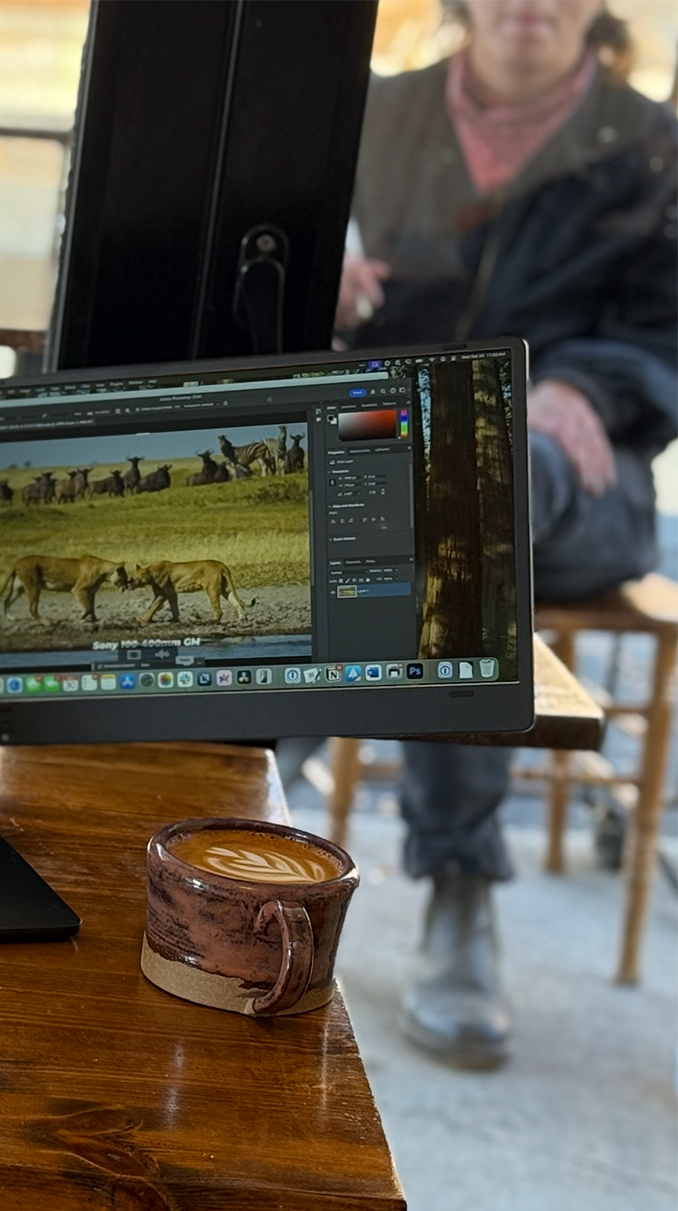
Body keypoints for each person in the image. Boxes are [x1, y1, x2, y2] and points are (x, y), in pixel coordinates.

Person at [339, 0, 678, 1067]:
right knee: (402, 490)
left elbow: (667, 333)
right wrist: (323, 288)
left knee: (479, 483)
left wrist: (586, 385)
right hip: (382, 445)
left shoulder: (656, 145)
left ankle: (453, 887)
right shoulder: (368, 114)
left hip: (577, 468)